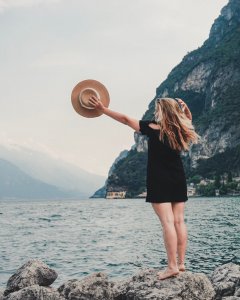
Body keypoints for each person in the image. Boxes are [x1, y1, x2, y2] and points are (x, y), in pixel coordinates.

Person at [88, 95, 200, 280]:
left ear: (162, 112)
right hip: (178, 178)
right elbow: (188, 119)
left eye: (158, 110)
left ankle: (171, 266)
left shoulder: (152, 127)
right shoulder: (180, 129)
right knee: (179, 221)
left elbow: (125, 119)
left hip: (159, 180)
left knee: (168, 223)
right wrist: (185, 110)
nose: (155, 112)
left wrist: (103, 109)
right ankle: (181, 264)